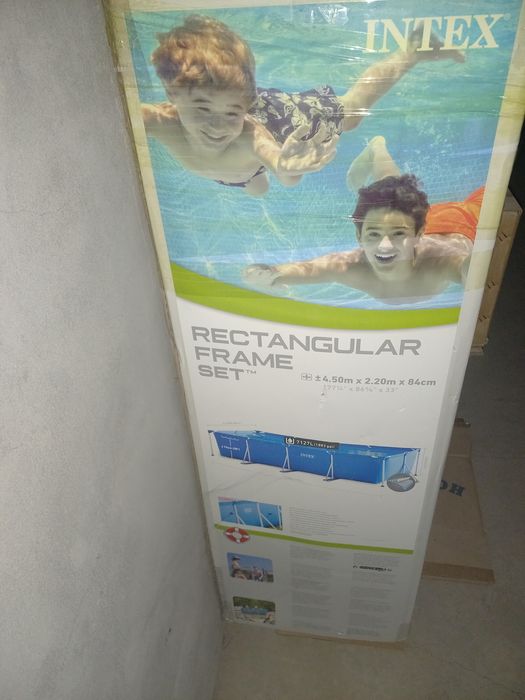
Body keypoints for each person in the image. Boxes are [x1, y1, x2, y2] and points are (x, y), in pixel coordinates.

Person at [141, 15, 464, 197]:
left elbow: (277, 161)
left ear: (246, 104)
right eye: (202, 108)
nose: (218, 125)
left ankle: (412, 50)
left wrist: (287, 167)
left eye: (232, 112)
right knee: (257, 189)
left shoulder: (248, 134)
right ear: (172, 94)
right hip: (241, 169)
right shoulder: (159, 120)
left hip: (278, 121)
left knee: (351, 112)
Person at [244, 137, 483, 302]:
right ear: (358, 236)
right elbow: (277, 272)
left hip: (466, 219)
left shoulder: (439, 263)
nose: (384, 246)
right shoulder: (348, 266)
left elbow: (469, 269)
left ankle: (378, 152)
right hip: (408, 222)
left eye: (397, 236)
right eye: (373, 235)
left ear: (419, 235)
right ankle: (377, 148)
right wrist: (262, 274)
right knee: (390, 193)